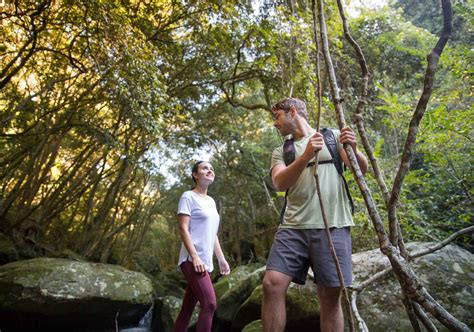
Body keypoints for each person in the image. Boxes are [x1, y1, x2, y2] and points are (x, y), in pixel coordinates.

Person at [261, 97, 368, 332]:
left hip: (334, 226)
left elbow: (361, 169)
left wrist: (355, 149)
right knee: (272, 284)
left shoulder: (333, 136)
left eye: (277, 116)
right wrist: (306, 155)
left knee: (330, 296)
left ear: (292, 112)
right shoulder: (282, 151)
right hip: (292, 227)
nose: (275, 123)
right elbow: (279, 182)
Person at [173, 161, 231, 332]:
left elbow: (212, 234)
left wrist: (221, 259)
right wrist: (195, 256)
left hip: (206, 262)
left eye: (212, 169)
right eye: (205, 168)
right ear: (195, 175)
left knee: (187, 309)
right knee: (210, 304)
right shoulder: (188, 196)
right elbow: (183, 228)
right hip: (192, 260)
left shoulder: (211, 202)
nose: (210, 170)